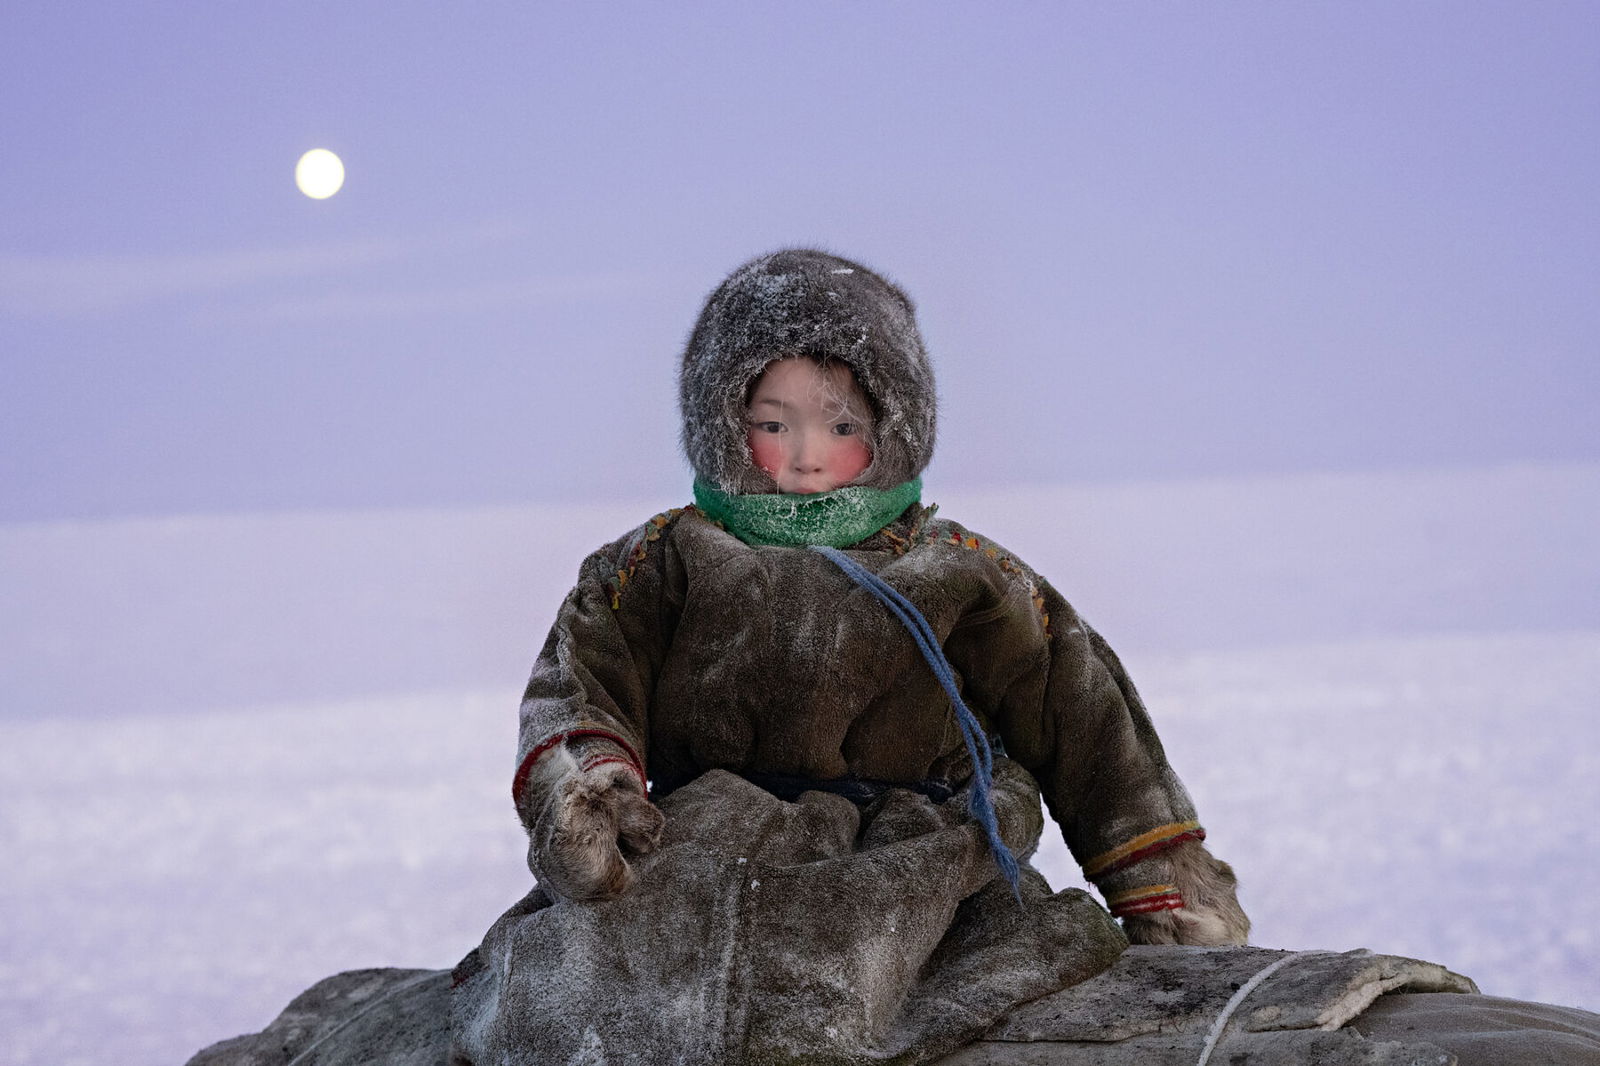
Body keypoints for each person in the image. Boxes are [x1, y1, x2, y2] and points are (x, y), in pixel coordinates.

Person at [449, 248, 1249, 1065]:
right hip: (698, 841)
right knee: (587, 976)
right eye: (772, 424)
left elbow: (1077, 711)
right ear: (723, 422)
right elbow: (580, 686)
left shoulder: (957, 568)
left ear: (893, 426)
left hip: (909, 846)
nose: (805, 454)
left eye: (841, 425)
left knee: (831, 978)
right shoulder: (659, 562)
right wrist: (592, 795)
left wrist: (1157, 876)